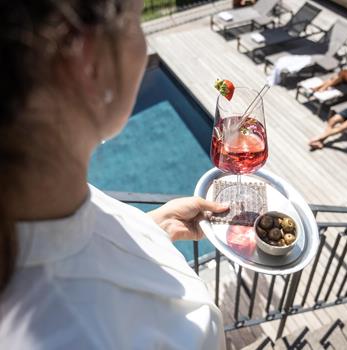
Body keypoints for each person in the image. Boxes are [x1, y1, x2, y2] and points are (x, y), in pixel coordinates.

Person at [0, 1, 228, 349]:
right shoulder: (95, 335)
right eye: (138, 21)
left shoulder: (41, 193)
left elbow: (79, 250)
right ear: (90, 62)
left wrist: (154, 230)